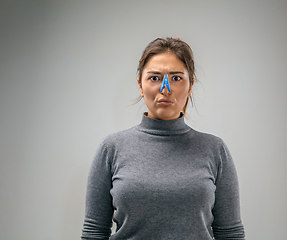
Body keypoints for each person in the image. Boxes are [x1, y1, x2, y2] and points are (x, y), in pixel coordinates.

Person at [81, 37, 245, 239]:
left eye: (176, 78)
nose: (165, 89)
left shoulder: (215, 149)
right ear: (141, 86)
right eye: (154, 78)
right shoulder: (111, 148)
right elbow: (94, 232)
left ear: (190, 86)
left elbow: (230, 233)